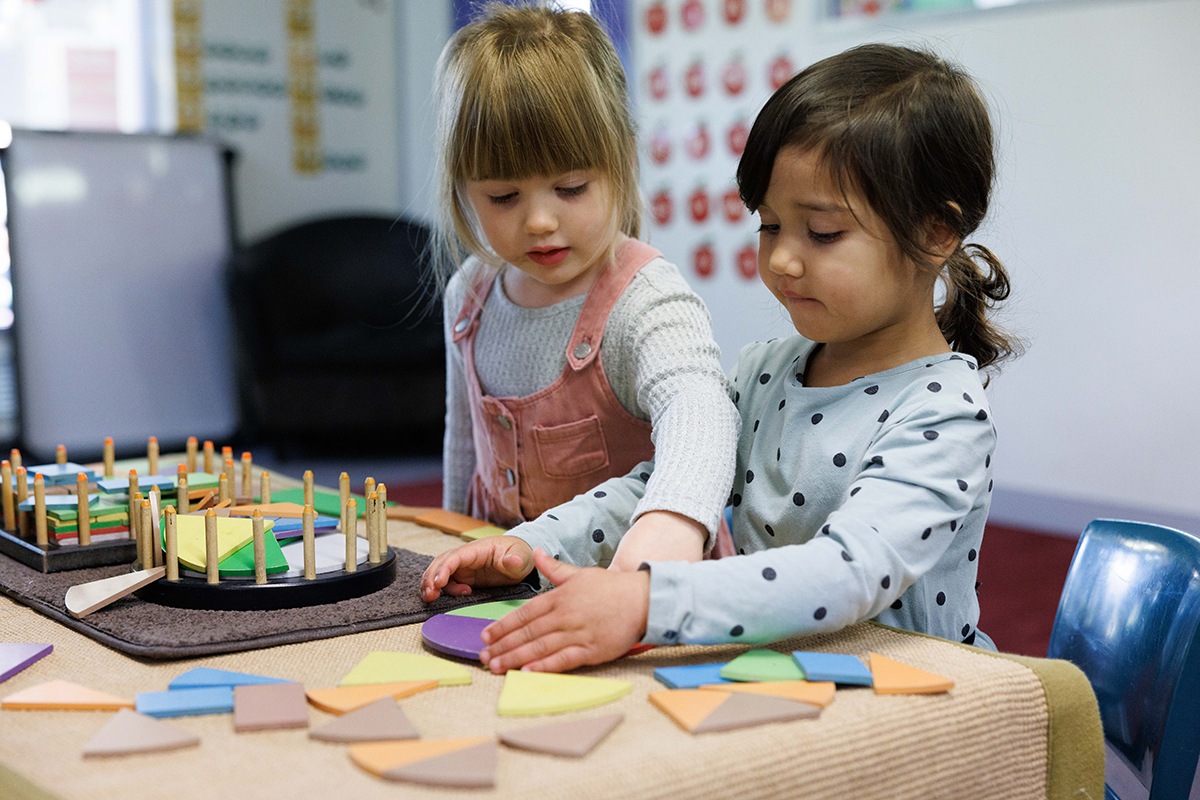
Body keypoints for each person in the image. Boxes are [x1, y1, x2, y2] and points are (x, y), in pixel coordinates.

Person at [422, 42, 1022, 674]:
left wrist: (649, 602)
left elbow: (846, 573)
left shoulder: (944, 414)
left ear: (934, 232)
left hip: (921, 701)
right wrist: (530, 544)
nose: (783, 260)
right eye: (769, 227)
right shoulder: (767, 372)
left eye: (821, 233)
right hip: (789, 680)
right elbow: (650, 488)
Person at [431, 4, 740, 573]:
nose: (539, 221)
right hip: (506, 588)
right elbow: (463, 448)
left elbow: (701, 408)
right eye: (503, 197)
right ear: (464, 188)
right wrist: (450, 542)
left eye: (570, 188)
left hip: (633, 587)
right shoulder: (468, 296)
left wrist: (673, 519)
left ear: (620, 163)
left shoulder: (644, 298)